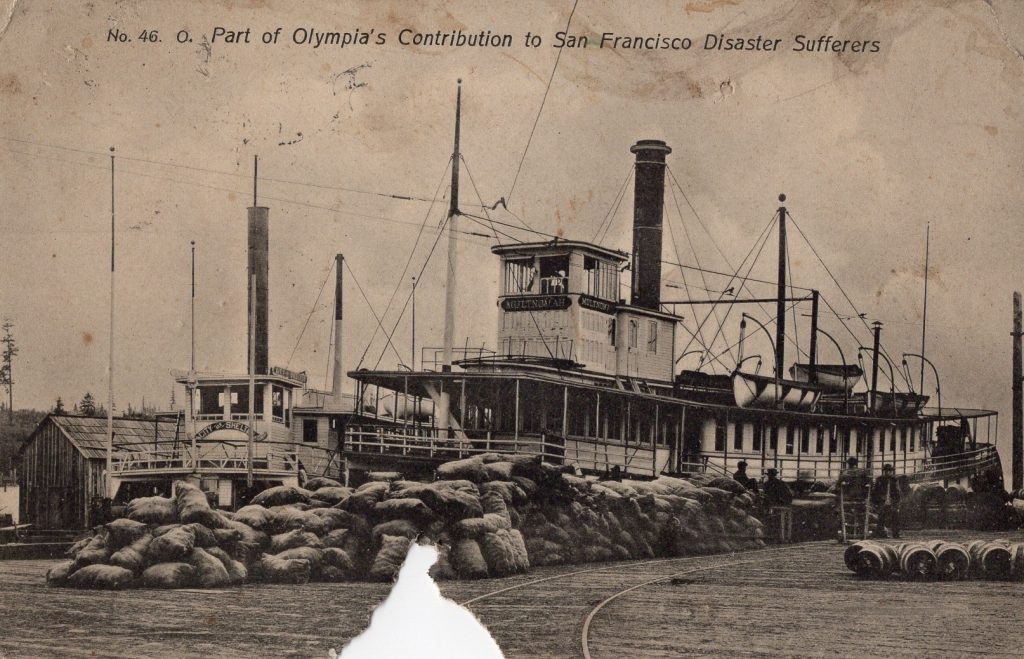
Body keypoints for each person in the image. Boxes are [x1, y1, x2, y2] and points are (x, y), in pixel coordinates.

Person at [871, 463, 901, 538]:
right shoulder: (879, 479)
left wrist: (897, 504)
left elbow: (898, 493)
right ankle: (881, 534)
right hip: (882, 501)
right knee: (881, 517)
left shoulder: (895, 480)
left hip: (892, 501)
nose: (888, 472)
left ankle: (896, 534)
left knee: (895, 517)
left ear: (892, 472)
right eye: (886, 471)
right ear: (884, 471)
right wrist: (876, 503)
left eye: (889, 471)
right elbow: (875, 492)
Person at [762, 468, 793, 543]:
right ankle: (782, 537)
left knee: (773, 520)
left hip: (774, 504)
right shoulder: (780, 483)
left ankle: (778, 536)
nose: (770, 476)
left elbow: (766, 495)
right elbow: (788, 495)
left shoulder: (767, 484)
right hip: (779, 504)